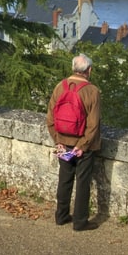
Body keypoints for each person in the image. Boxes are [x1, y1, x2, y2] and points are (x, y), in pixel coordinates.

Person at [46, 53, 102, 231]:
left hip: (63, 141)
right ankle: (80, 221)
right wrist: (82, 145)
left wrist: (58, 140)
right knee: (83, 182)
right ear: (89, 70)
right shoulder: (92, 91)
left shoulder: (59, 87)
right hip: (83, 146)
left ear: (73, 69)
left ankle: (61, 216)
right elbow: (93, 124)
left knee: (64, 179)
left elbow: (50, 118)